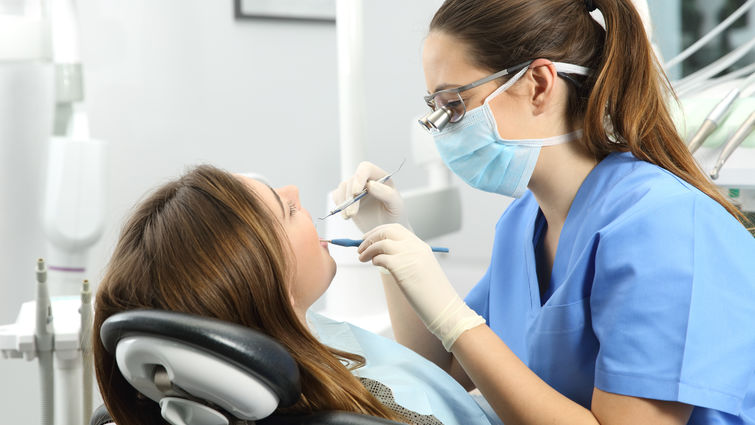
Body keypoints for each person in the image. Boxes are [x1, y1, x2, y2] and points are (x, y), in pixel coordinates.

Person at [334, 0, 755, 424]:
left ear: (538, 84)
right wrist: (391, 241)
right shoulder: (523, 223)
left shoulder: (666, 227)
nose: (441, 129)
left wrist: (454, 316)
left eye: (455, 105)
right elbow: (439, 372)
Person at [92, 165, 497, 425]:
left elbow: (425, 376)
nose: (295, 190)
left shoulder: (291, 345)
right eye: (286, 209)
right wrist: (454, 320)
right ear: (268, 284)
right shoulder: (370, 406)